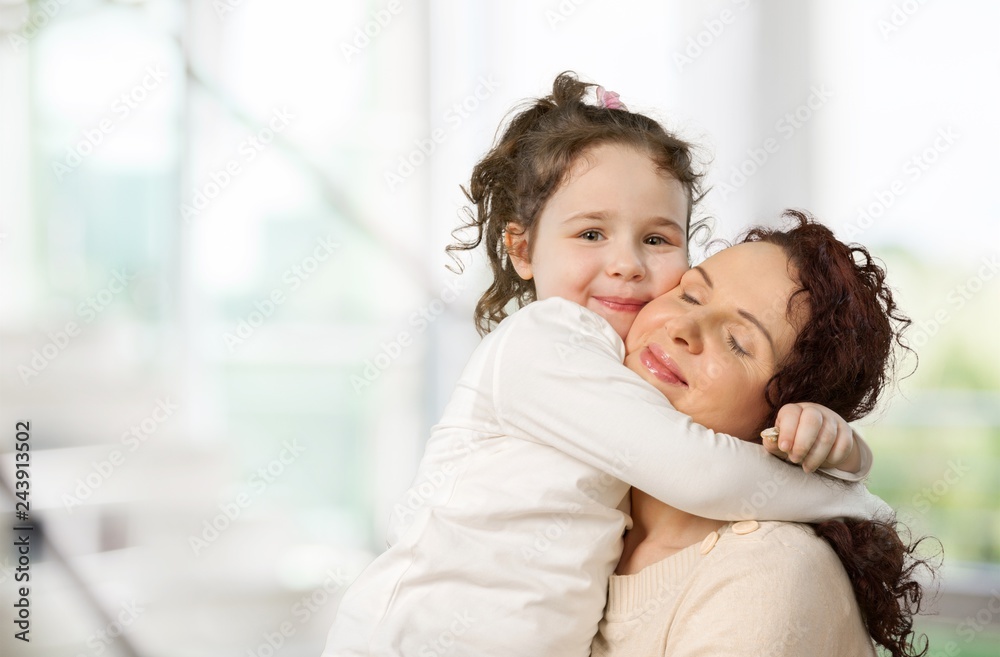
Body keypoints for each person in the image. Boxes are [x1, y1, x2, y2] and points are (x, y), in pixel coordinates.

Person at [322, 74, 888, 657]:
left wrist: (839, 447)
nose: (625, 264)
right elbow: (700, 471)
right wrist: (851, 494)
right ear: (522, 250)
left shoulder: (756, 566)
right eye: (591, 232)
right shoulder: (545, 343)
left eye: (657, 239)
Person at [592, 213, 930, 657]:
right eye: (691, 295)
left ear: (786, 413)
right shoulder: (592, 511)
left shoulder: (767, 571)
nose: (681, 329)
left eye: (737, 342)